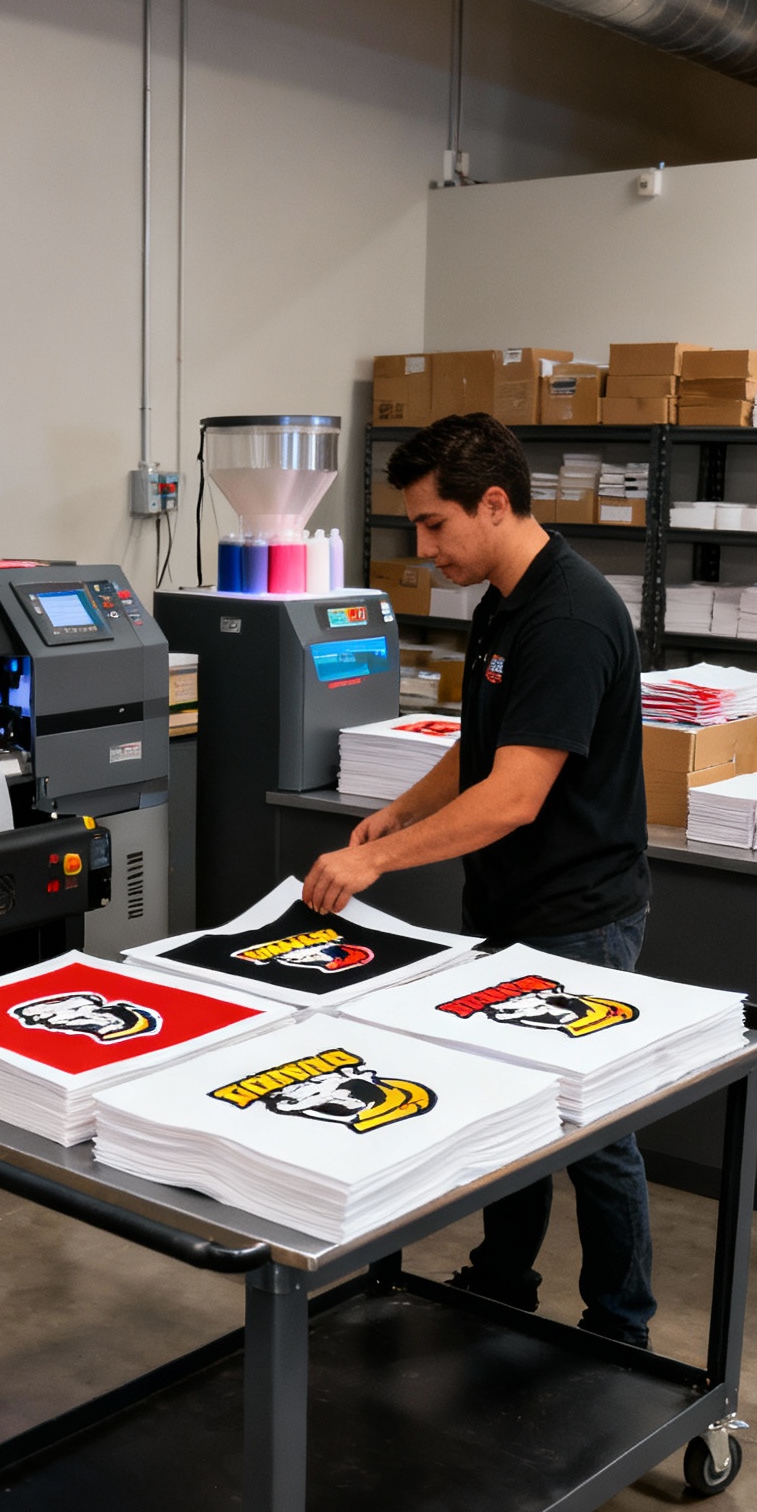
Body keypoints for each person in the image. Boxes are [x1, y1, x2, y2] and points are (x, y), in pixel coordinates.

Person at [300, 411, 654, 1346]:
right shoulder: (503, 596)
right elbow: (484, 747)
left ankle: (623, 1330)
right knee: (512, 1109)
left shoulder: (570, 618)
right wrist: (403, 812)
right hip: (505, 903)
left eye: (433, 525)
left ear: (493, 504)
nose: (423, 549)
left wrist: (370, 860)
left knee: (596, 1133)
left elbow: (513, 798)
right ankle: (504, 1281)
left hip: (579, 917)